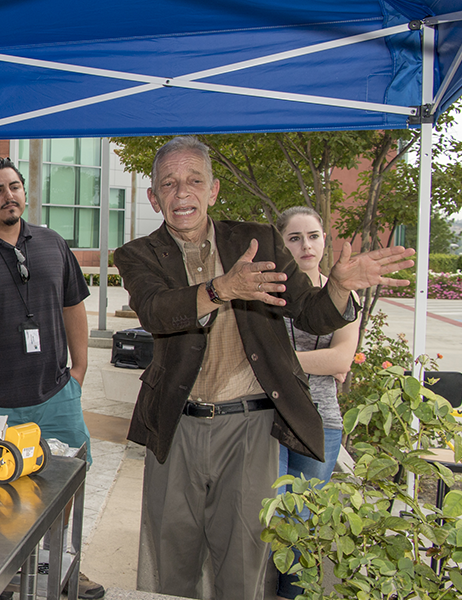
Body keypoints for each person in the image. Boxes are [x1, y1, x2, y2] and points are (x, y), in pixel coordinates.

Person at [113, 136, 413, 600]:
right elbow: (155, 311)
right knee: (169, 563)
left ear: (213, 191)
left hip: (252, 425)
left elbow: (311, 313)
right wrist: (220, 289)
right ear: (154, 197)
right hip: (176, 425)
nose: (182, 193)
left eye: (195, 180)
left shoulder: (258, 240)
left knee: (245, 563)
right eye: (168, 184)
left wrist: (337, 288)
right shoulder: (138, 254)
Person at [0, 157, 93, 461]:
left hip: (57, 397)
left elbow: (73, 305)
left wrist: (78, 371)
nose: (9, 196)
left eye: (15, 187)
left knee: (70, 482)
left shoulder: (53, 243)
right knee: (1, 493)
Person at [273, 206, 360, 600]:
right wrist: (316, 364)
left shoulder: (344, 294)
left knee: (300, 522)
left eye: (313, 236)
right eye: (294, 237)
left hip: (321, 422)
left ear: (325, 240)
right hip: (268, 419)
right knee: (268, 517)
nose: (305, 245)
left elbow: (341, 359)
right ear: (283, 244)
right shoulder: (270, 292)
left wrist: (280, 361)